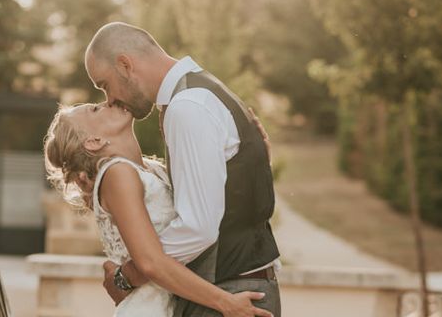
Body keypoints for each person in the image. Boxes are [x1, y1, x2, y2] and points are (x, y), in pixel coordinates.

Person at [84, 22, 281, 317]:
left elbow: (197, 228)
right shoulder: (202, 92)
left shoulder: (187, 106)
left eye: (104, 85)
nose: (109, 99)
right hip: (238, 288)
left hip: (228, 294)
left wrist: (129, 276)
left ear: (125, 65)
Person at [44, 101, 272, 316]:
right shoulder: (117, 173)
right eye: (95, 109)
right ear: (93, 141)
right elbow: (151, 262)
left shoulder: (152, 169)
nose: (108, 102)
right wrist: (226, 302)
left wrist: (257, 154)